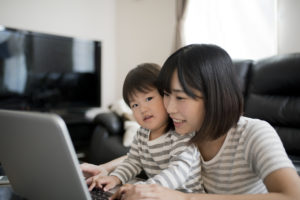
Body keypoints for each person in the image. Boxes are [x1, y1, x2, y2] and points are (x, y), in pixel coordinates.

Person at [83, 44, 300, 200]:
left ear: (215, 96)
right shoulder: (184, 131)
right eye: (166, 95)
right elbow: (140, 154)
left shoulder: (255, 133)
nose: (169, 107)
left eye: (180, 97)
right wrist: (105, 169)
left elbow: (293, 195)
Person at [87, 63, 204, 193]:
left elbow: (178, 171)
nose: (142, 109)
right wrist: (115, 178)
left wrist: (145, 188)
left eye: (148, 98)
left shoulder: (181, 132)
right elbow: (133, 162)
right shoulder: (142, 134)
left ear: (166, 96)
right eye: (135, 105)